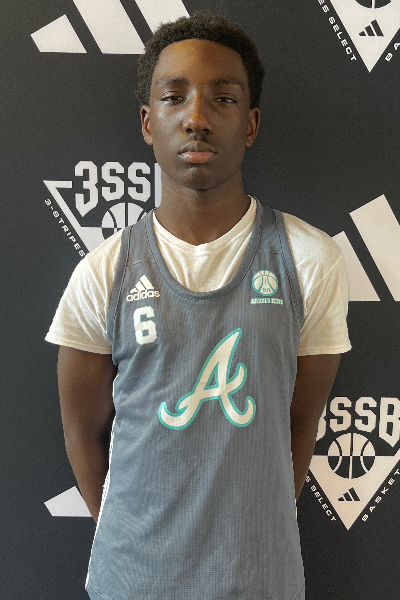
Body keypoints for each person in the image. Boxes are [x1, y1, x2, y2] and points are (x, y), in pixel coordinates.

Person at [45, 11, 351, 600]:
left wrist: (251, 536)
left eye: (223, 98)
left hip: (260, 580)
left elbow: (298, 422)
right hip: (133, 581)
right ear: (148, 122)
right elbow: (83, 432)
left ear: (251, 124)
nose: (196, 118)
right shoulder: (104, 271)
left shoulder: (309, 259)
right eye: (174, 97)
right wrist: (136, 539)